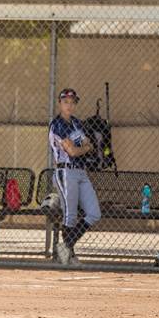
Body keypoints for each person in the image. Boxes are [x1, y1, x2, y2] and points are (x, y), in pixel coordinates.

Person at [48, 88, 100, 266]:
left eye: (72, 102)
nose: (69, 105)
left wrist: (82, 148)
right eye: (66, 102)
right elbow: (72, 150)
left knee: (94, 213)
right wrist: (84, 148)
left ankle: (65, 248)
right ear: (60, 103)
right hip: (65, 172)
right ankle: (69, 257)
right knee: (70, 216)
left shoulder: (77, 122)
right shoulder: (57, 124)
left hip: (81, 172)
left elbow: (86, 144)